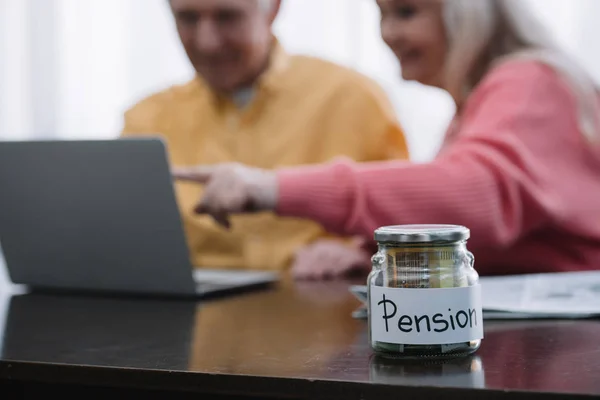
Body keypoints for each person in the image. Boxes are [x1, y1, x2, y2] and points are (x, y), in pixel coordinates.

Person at [174, 0, 600, 276]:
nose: (388, 33)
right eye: (383, 14)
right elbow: (493, 240)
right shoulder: (477, 106)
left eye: (407, 12)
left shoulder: (530, 81)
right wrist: (372, 255)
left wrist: (270, 187)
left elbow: (478, 197)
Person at [122, 0, 409, 278]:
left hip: (319, 308)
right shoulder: (146, 121)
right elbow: (124, 242)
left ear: (272, 8)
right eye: (187, 18)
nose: (207, 41)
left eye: (227, 17)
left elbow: (407, 230)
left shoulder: (354, 100)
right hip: (193, 318)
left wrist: (364, 253)